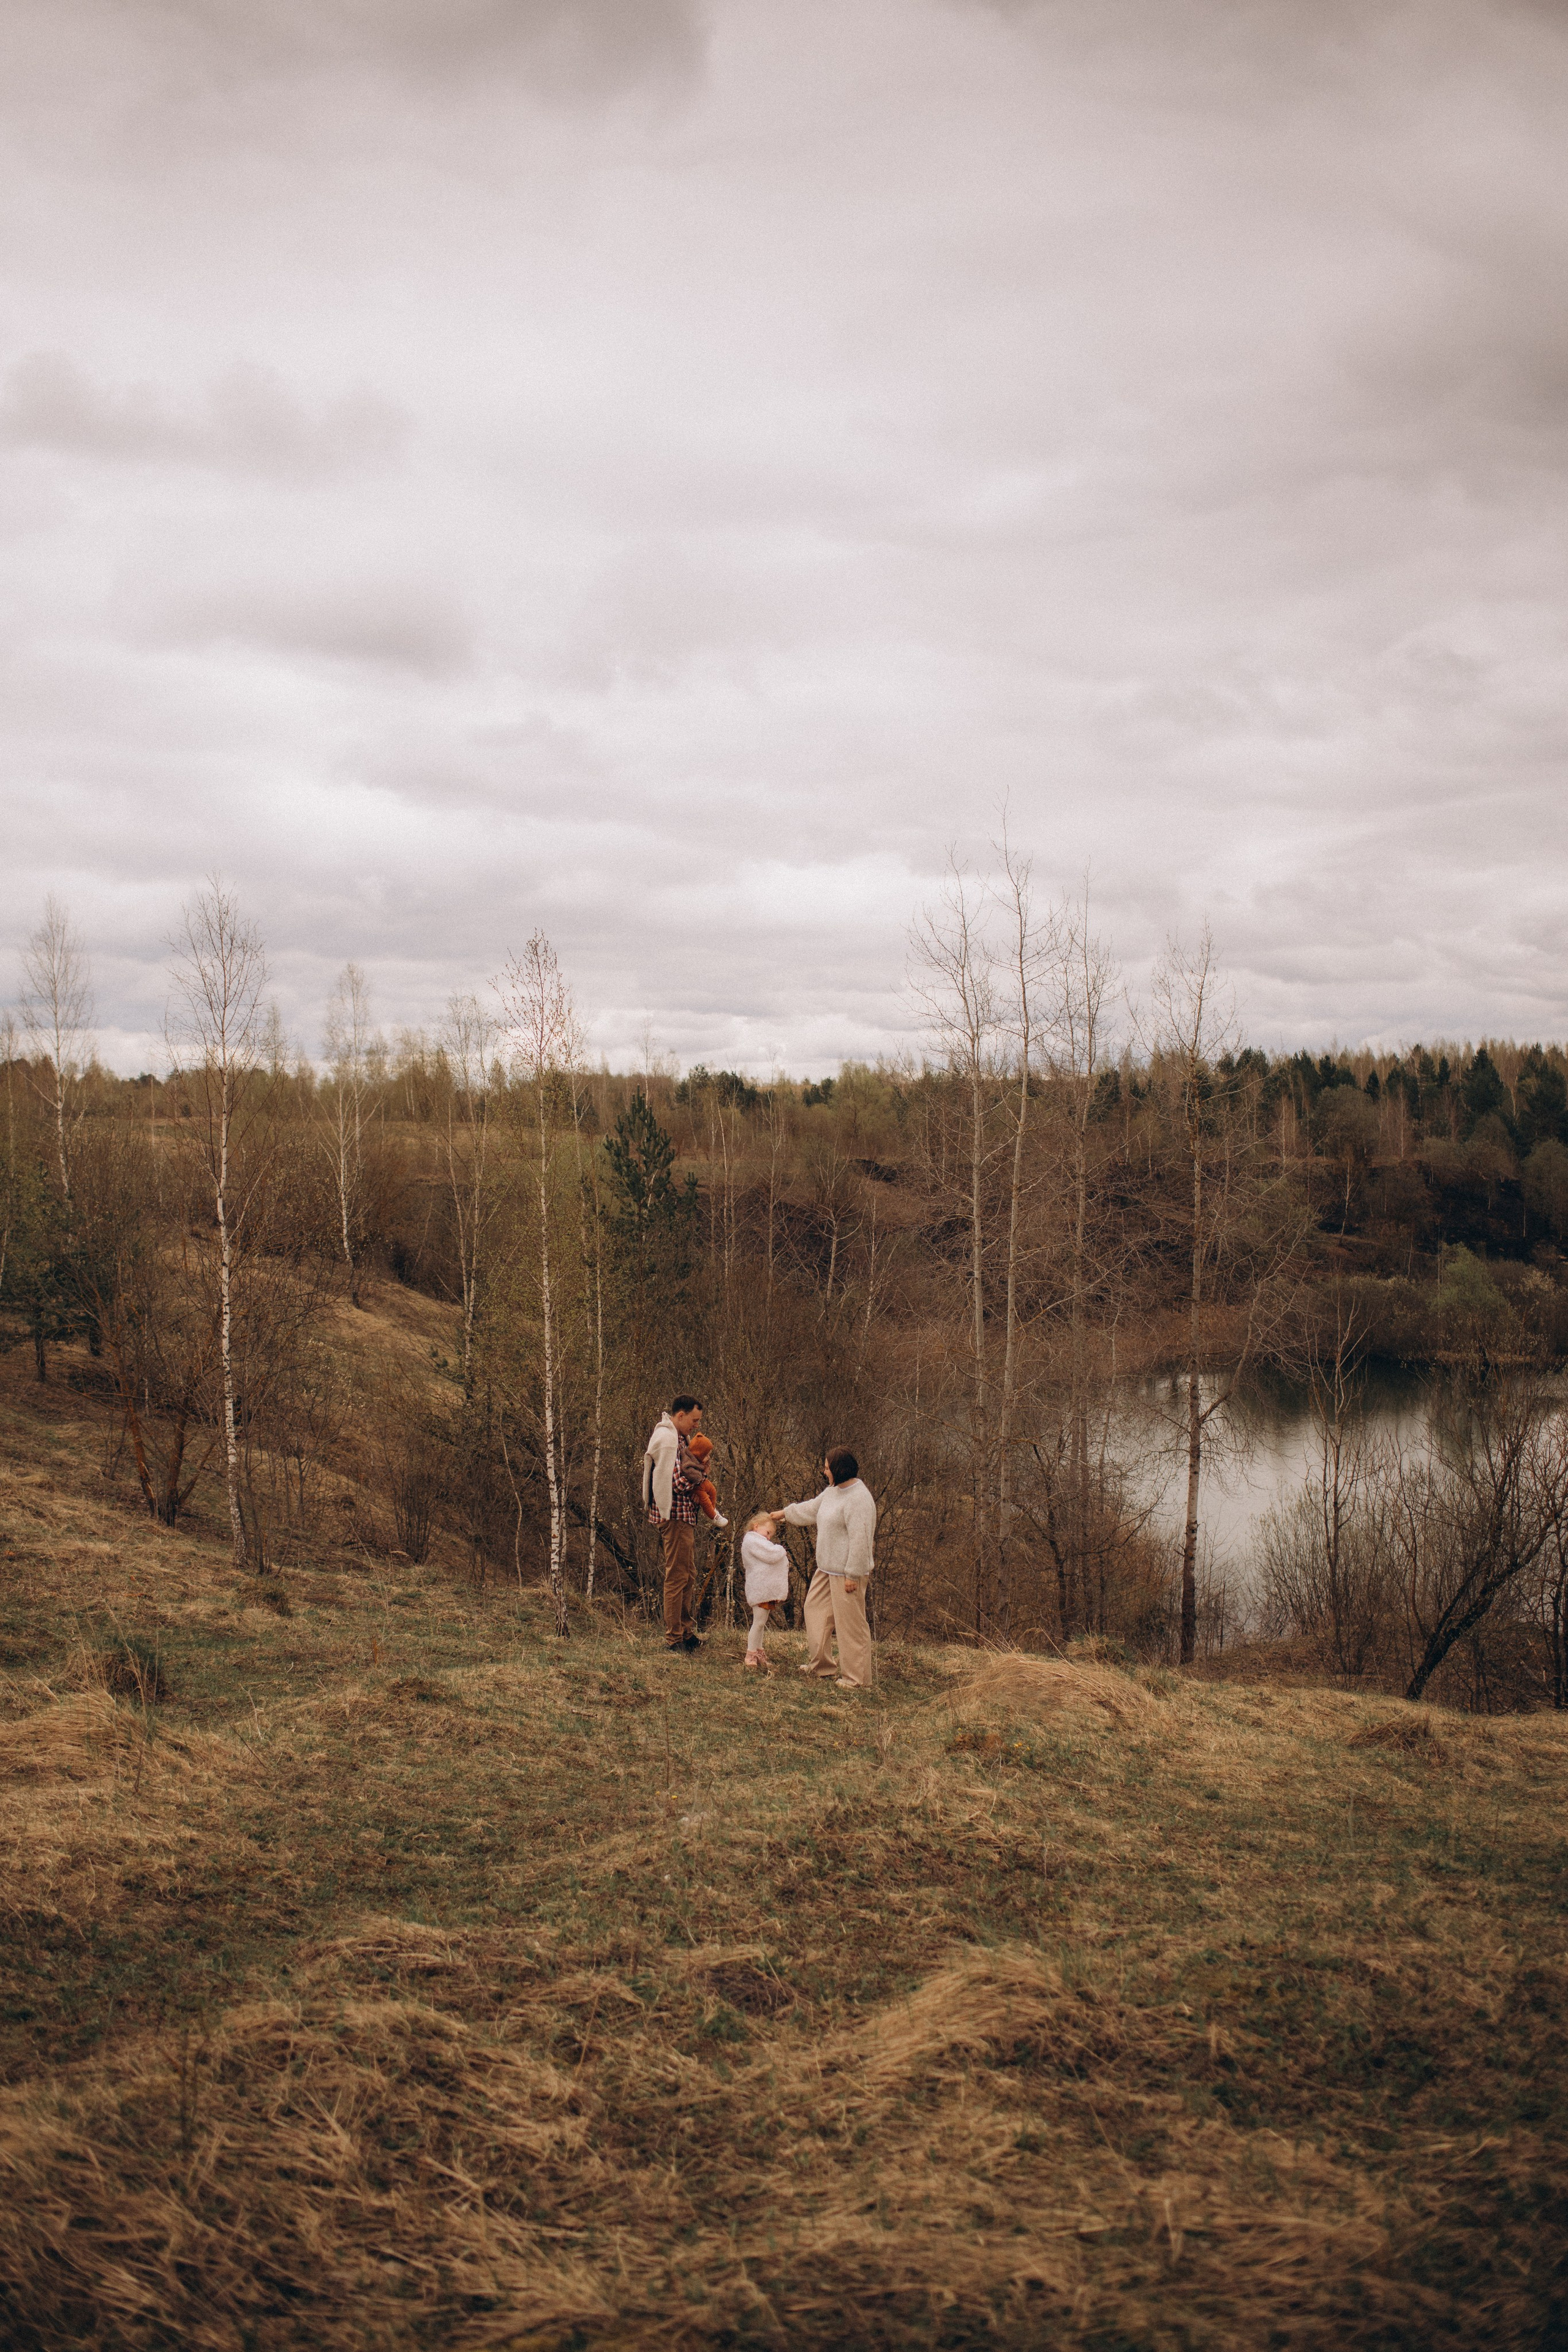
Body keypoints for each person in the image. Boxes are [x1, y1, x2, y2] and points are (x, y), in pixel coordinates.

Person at [772, 1447, 876, 1689]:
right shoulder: (833, 1492)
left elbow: (861, 1540)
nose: (824, 1471)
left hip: (848, 1574)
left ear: (839, 1470)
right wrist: (784, 1514)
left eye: (827, 1467)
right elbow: (812, 1509)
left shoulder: (859, 1499)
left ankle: (857, 1679)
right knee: (814, 1609)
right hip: (827, 1569)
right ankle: (821, 1667)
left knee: (850, 1625)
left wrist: (853, 1575)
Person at [643, 1393, 705, 1652]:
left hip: (683, 1516)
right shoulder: (669, 1440)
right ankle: (674, 1638)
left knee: (688, 1574)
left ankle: (686, 1631)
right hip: (675, 1517)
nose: (696, 1425)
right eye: (694, 1419)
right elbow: (675, 1483)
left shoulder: (679, 1437)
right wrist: (701, 1475)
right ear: (681, 1415)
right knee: (677, 1577)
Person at [739, 1510, 790, 1672]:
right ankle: (751, 1654)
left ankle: (759, 1653)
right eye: (768, 1533)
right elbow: (772, 1554)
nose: (769, 1538)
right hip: (760, 1587)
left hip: (764, 1588)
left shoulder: (756, 1541)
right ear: (756, 1526)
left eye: (771, 1535)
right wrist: (782, 1550)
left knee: (761, 1623)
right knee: (759, 1622)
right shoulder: (752, 1540)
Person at [682, 1431, 729, 1528]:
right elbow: (687, 1471)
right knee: (704, 1499)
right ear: (698, 1454)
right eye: (706, 1456)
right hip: (697, 1485)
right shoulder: (688, 1461)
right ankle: (713, 1516)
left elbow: (705, 1468)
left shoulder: (699, 1460)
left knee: (713, 1490)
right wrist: (698, 1478)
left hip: (703, 1481)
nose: (708, 1458)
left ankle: (713, 1509)